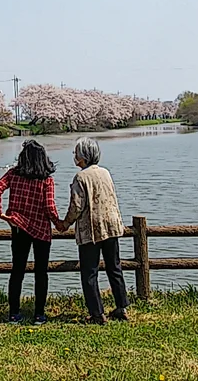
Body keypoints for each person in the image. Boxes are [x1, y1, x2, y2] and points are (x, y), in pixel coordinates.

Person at [56, 137, 129, 325]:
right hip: (111, 226)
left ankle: (97, 313)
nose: (74, 156)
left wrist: (65, 223)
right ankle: (122, 307)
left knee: (89, 272)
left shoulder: (81, 177)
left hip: (92, 230)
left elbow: (76, 206)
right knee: (114, 267)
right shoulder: (105, 173)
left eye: (76, 153)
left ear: (83, 156)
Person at [0, 139, 62, 324]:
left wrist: (0, 213)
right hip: (41, 230)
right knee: (41, 272)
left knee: (17, 271)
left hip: (19, 227)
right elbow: (49, 207)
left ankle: (14, 313)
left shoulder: (13, 174)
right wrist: (59, 223)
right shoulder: (46, 180)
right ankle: (39, 314)